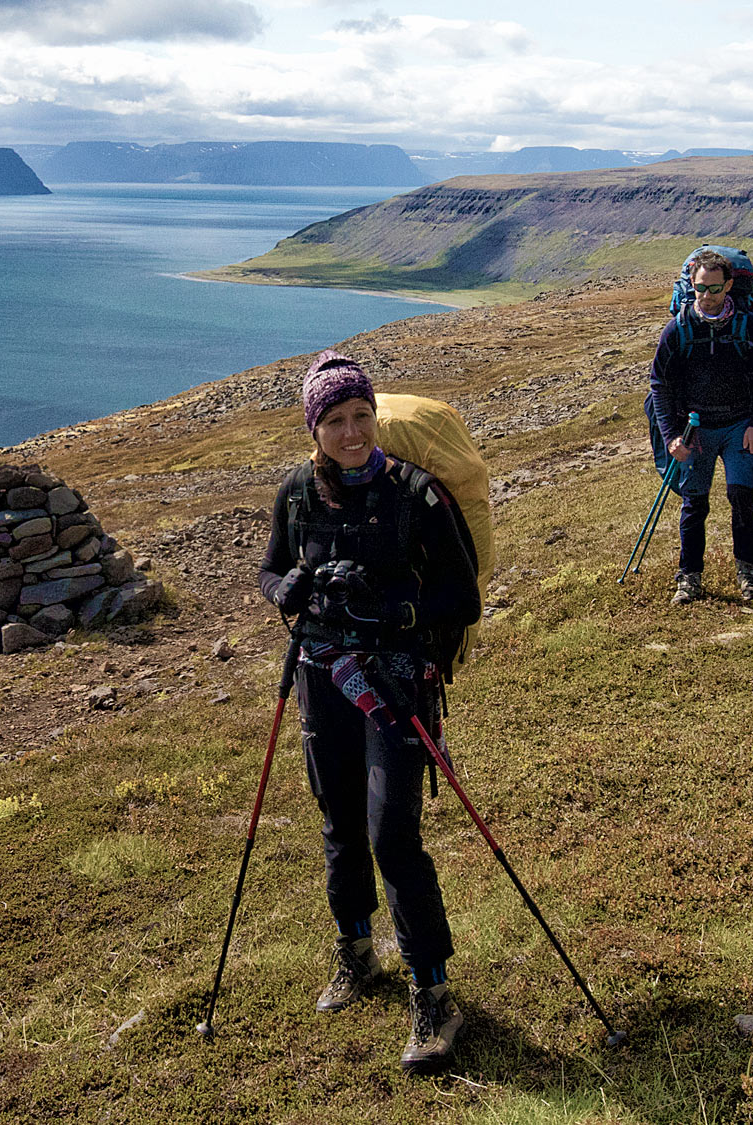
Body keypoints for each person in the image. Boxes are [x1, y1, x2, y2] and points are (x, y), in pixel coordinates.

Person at [257, 350, 482, 1073]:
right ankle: (355, 948)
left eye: (361, 416)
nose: (351, 432)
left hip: (393, 682)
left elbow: (463, 596)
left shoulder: (416, 494)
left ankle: (434, 992)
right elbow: (266, 569)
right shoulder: (297, 494)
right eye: (335, 420)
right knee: (338, 820)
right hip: (321, 677)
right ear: (313, 427)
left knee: (391, 833)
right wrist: (284, 587)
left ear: (373, 416)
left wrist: (393, 607)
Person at [649, 248, 753, 604]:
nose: (706, 297)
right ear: (691, 286)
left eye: (715, 289)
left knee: (742, 496)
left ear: (728, 286)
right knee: (694, 503)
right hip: (695, 429)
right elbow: (659, 386)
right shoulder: (677, 329)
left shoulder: (749, 325)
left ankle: (748, 574)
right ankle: (688, 578)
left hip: (739, 424)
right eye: (700, 289)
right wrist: (672, 436)